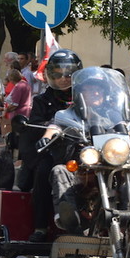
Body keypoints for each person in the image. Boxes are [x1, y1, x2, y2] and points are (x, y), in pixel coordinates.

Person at [37, 68, 130, 236]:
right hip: (81, 169)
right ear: (80, 92)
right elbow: (54, 126)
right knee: (59, 171)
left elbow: (129, 131)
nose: (95, 92)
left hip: (112, 166)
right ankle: (69, 217)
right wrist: (47, 136)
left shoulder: (114, 113)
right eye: (90, 89)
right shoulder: (68, 114)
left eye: (99, 88)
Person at [20, 49, 82, 242]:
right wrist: (48, 131)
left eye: (69, 74)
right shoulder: (42, 101)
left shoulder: (85, 99)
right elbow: (36, 126)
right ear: (50, 75)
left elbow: (101, 116)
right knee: (43, 172)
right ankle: (40, 227)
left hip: (83, 149)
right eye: (58, 74)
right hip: (53, 151)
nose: (64, 78)